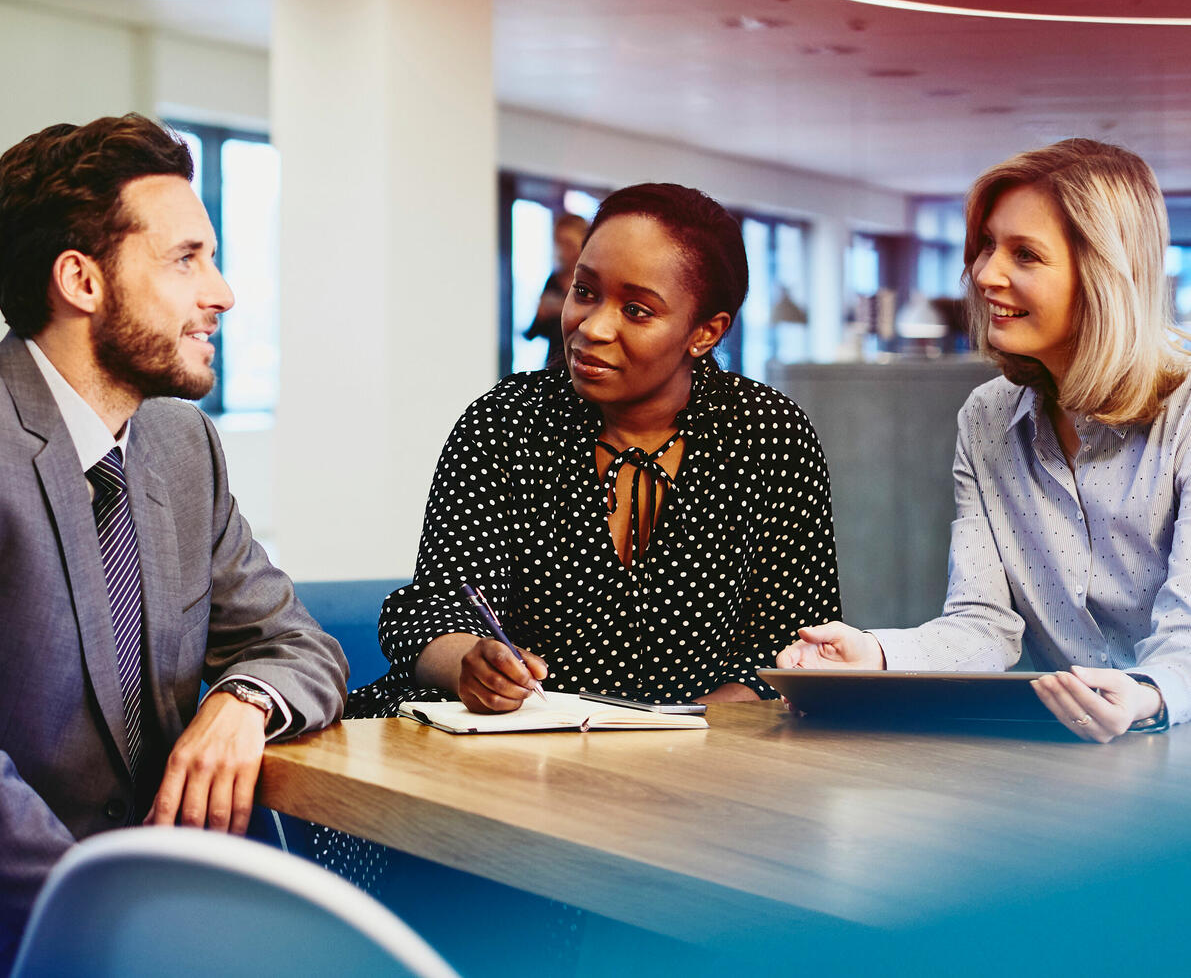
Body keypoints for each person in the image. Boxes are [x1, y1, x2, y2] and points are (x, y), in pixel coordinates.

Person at [0, 113, 349, 966]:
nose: (222, 293)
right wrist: (118, 917)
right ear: (81, 280)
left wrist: (245, 699)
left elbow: (297, 644)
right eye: (187, 259)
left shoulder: (180, 447)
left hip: (174, 910)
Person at [351, 181, 840, 717]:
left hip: (703, 756)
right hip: (507, 747)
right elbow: (436, 608)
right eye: (584, 292)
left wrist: (669, 734)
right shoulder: (508, 421)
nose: (591, 326)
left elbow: (796, 647)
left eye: (636, 310)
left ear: (704, 332)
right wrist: (472, 662)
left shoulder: (768, 435)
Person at [779, 139, 1190, 743]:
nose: (985, 273)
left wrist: (1146, 695)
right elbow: (984, 625)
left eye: (1025, 254)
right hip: (1075, 756)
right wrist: (875, 654)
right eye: (988, 246)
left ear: (1105, 273)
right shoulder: (987, 418)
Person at [524, 212, 588, 368]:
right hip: (554, 363)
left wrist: (561, 309)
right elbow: (533, 333)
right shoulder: (553, 279)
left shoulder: (591, 282)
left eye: (569, 243)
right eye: (559, 243)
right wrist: (541, 315)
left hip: (582, 360)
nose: (563, 250)